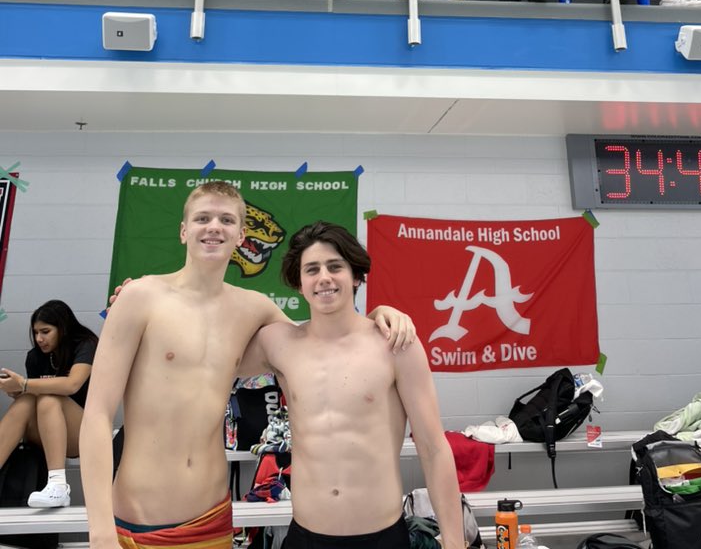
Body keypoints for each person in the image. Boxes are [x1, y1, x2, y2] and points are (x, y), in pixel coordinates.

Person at [80, 181, 413, 549]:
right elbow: (96, 415)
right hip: (139, 519)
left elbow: (324, 341)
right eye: (202, 217)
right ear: (183, 230)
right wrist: (99, 531)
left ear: (241, 236)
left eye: (225, 219)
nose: (213, 227)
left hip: (212, 517)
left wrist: (381, 314)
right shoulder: (140, 297)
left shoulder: (253, 308)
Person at [240, 221, 464, 549]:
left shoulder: (395, 343)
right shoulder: (280, 344)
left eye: (335, 267)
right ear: (299, 283)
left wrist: (455, 543)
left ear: (356, 276)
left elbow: (433, 448)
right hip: (306, 538)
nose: (324, 278)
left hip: (382, 538)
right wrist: (142, 302)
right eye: (312, 269)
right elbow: (210, 354)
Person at [0, 299, 98, 508]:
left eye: (45, 331)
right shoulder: (35, 357)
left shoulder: (85, 345)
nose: (39, 339)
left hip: (85, 432)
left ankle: (58, 485)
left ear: (62, 328)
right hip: (47, 435)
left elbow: (73, 384)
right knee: (28, 400)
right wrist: (18, 390)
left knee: (48, 397)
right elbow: (31, 398)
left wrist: (25, 384)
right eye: (36, 333)